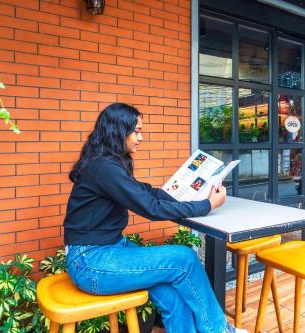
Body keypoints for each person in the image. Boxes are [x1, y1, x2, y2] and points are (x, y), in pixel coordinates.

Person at [64, 103, 247, 333]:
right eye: (136, 131)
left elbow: (149, 192)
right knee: (185, 258)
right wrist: (207, 205)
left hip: (106, 251)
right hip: (91, 262)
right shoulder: (104, 168)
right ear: (119, 131)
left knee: (171, 296)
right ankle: (219, 330)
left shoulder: (106, 162)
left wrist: (188, 197)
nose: (141, 137)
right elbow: (151, 208)